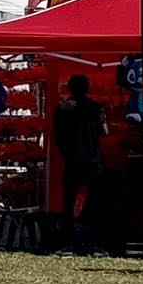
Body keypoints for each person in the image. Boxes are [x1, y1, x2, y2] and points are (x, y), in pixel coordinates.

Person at [53, 73, 107, 254]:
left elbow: (57, 137)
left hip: (72, 159)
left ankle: (66, 241)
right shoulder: (96, 108)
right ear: (88, 88)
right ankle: (92, 241)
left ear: (69, 88)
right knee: (95, 201)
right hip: (93, 159)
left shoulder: (61, 108)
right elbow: (104, 132)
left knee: (68, 202)